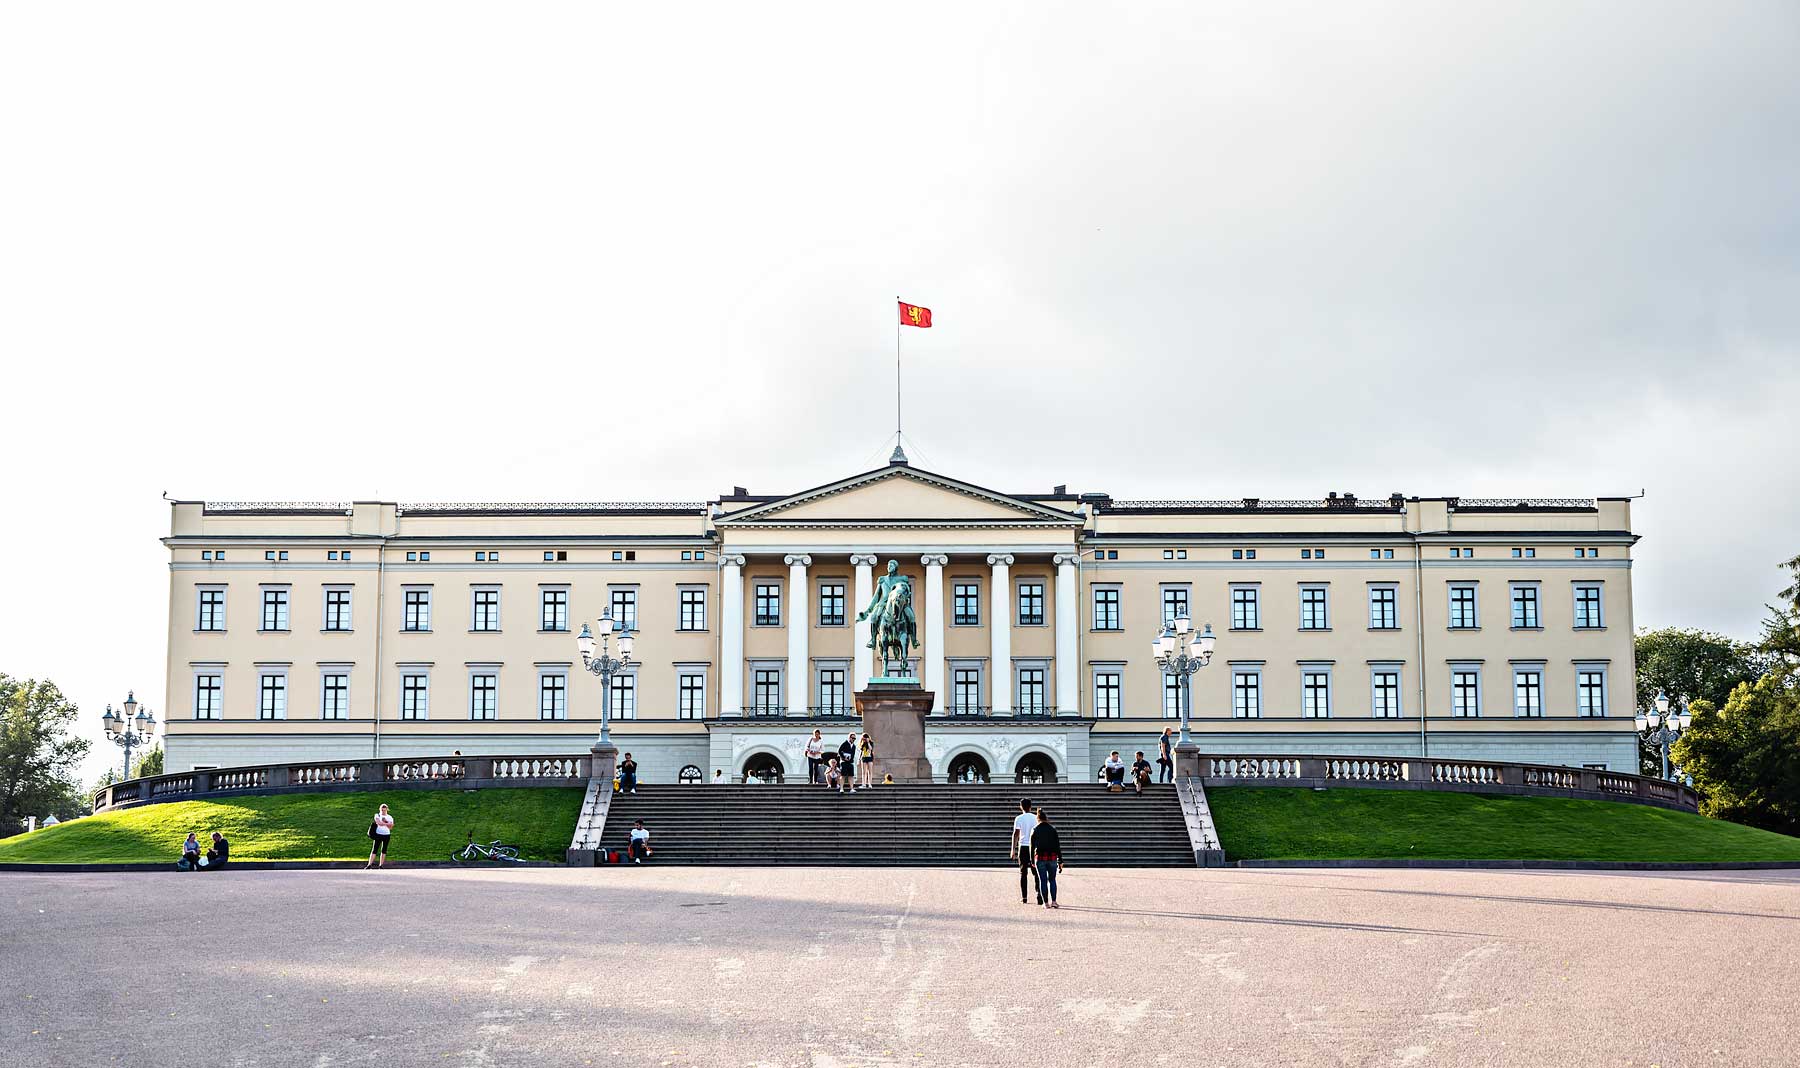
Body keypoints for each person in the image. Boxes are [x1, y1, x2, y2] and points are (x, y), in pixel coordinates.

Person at [1030, 808, 1063, 909]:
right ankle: (1054, 901)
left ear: (1038, 818)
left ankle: (1045, 903)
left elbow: (1031, 847)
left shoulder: (1035, 830)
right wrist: (1060, 860)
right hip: (1052, 857)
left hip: (1040, 858)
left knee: (1042, 880)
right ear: (1046, 818)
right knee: (1052, 880)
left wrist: (1032, 861)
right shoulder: (1053, 829)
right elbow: (1058, 846)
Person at [1009, 798, 1040, 905]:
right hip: (1034, 847)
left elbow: (1016, 834)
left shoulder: (1019, 818)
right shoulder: (1036, 818)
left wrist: (1013, 849)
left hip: (1023, 847)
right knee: (1036, 873)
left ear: (1021, 807)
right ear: (1030, 806)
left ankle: (1024, 897)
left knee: (1023, 873)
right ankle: (1039, 894)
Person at [366, 803, 394, 869]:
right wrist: (387, 823)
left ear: (387, 809)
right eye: (382, 810)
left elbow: (391, 827)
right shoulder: (377, 815)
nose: (383, 811)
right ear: (380, 809)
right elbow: (379, 823)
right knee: (374, 850)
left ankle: (381, 865)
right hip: (378, 834)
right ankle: (369, 865)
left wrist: (385, 821)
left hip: (387, 835)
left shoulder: (390, 817)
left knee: (384, 850)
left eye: (384, 810)